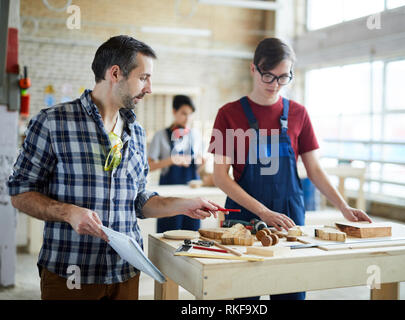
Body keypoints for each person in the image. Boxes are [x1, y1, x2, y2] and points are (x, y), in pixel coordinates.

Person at [7, 35, 221, 300]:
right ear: (116, 73)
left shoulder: (137, 132)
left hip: (126, 274)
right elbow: (19, 193)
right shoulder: (52, 122)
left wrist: (181, 204)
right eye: (144, 78)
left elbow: (139, 200)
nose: (150, 88)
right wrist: (67, 212)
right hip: (71, 274)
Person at [208, 37, 372, 300]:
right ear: (253, 69)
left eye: (284, 77)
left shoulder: (299, 114)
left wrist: (344, 207)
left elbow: (315, 170)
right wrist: (263, 212)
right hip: (244, 219)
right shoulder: (227, 114)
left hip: (290, 217)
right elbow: (219, 176)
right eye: (268, 76)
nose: (275, 85)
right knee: (244, 295)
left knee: (291, 291)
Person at [148, 95, 204, 233]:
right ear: (174, 112)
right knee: (167, 236)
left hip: (192, 197)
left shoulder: (196, 136)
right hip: (168, 198)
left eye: (190, 114)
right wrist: (171, 160)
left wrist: (202, 163)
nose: (188, 118)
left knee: (192, 237)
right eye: (184, 113)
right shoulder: (160, 136)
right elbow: (148, 166)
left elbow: (199, 170)